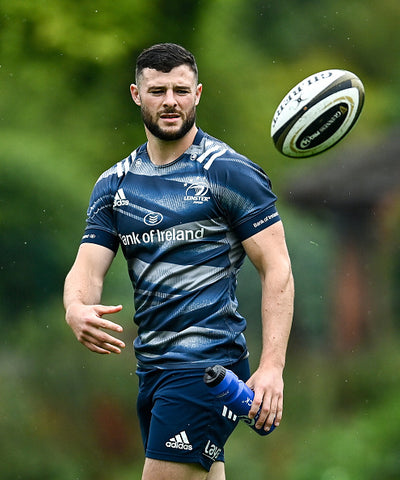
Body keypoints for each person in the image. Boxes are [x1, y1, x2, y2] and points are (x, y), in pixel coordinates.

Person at [63, 43, 294, 480]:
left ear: (198, 94)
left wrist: (272, 368)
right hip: (153, 369)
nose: (170, 101)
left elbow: (277, 267)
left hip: (207, 367)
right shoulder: (114, 184)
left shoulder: (228, 172)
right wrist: (76, 306)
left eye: (181, 90)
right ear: (136, 94)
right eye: (158, 90)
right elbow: (87, 268)